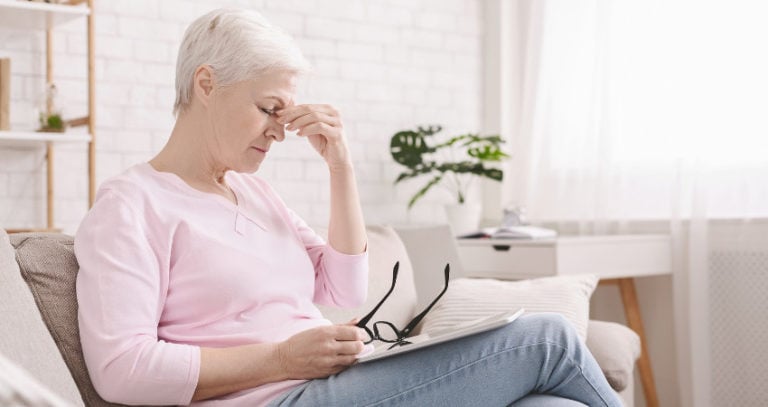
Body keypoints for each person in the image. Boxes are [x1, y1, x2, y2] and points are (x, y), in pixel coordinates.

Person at [74, 8, 623, 407]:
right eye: (269, 109)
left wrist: (341, 166)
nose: (278, 132)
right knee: (548, 338)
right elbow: (122, 370)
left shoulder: (255, 192)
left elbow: (342, 290)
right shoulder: (131, 205)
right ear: (206, 83)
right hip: (275, 398)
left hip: (334, 384)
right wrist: (283, 359)